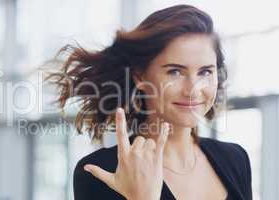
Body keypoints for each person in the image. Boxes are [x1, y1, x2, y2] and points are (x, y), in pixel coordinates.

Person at [48, 4, 252, 200]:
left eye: (205, 71)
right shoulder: (103, 172)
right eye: (175, 71)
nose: (193, 89)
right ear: (140, 76)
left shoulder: (235, 159)